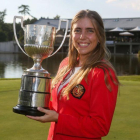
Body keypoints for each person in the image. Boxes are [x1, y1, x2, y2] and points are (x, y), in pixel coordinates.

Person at [27, 9, 119, 140]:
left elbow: (100, 126)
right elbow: (60, 106)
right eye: (77, 30)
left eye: (90, 30)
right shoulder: (65, 64)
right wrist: (35, 105)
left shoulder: (102, 73)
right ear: (72, 35)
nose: (82, 36)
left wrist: (58, 119)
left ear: (99, 36)